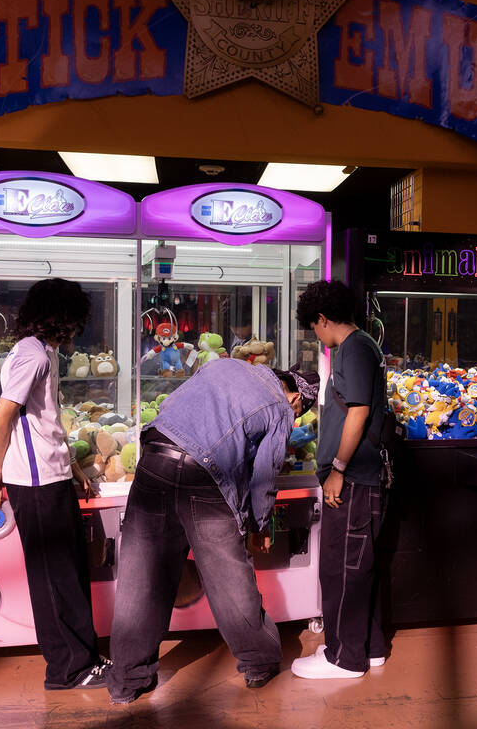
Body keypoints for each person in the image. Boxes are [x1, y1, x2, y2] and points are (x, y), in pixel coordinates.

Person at [107, 358, 319, 704]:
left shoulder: (225, 365)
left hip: (155, 455)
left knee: (141, 575)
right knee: (229, 578)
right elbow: (265, 474)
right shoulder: (280, 408)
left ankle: (127, 681)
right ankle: (258, 662)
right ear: (296, 399)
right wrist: (260, 525)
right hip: (205, 477)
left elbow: (179, 403)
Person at [0, 278, 108, 691]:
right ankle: (69, 669)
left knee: (67, 573)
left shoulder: (44, 353)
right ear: (63, 317)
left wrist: (71, 465)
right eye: (75, 319)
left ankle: (82, 657)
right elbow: (2, 416)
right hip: (35, 483)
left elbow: (44, 422)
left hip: (51, 475)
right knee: (55, 577)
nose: (78, 328)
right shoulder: (32, 356)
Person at [291, 280, 390, 680]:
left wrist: (338, 468)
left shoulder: (353, 348)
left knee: (341, 568)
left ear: (323, 318)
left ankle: (344, 658)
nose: (316, 335)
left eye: (313, 327)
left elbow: (358, 411)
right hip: (361, 477)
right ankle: (371, 648)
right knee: (360, 566)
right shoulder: (363, 346)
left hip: (355, 479)